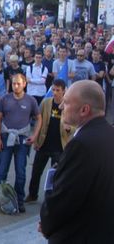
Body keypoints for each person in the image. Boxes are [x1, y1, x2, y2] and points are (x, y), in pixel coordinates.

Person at [40, 80, 114, 243]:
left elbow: (64, 199)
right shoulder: (109, 133)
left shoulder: (80, 145)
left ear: (84, 110)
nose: (60, 107)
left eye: (66, 103)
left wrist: (47, 224)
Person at [0, 73, 42, 213]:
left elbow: (39, 118)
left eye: (18, 83)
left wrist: (35, 136)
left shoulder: (31, 100)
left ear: (24, 84)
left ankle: (19, 201)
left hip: (22, 139)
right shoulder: (5, 99)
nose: (15, 86)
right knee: (1, 171)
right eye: (14, 83)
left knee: (21, 172)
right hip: (6, 138)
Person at [25, 79, 74, 203]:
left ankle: (52, 199)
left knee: (55, 175)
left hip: (59, 147)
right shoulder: (46, 103)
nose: (55, 92)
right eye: (53, 89)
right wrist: (36, 140)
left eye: (58, 90)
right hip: (44, 144)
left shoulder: (69, 106)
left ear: (64, 91)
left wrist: (69, 129)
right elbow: (39, 121)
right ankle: (32, 194)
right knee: (36, 171)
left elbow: (75, 126)